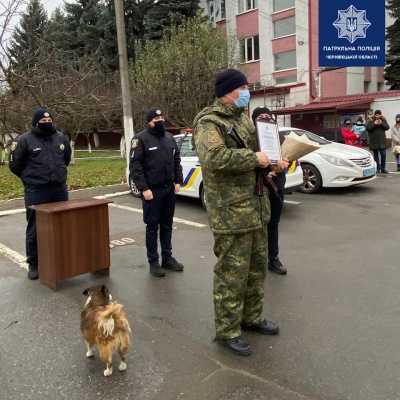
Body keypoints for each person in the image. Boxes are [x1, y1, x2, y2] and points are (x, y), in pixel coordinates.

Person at [192, 69, 289, 356]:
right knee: (231, 274)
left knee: (257, 269)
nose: (247, 92)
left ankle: (251, 318)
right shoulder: (210, 122)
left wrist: (272, 162)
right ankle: (227, 331)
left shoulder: (243, 121)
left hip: (256, 208)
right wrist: (254, 157)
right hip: (231, 213)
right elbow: (213, 158)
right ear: (228, 91)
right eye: (244, 87)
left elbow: (259, 157)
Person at [8, 108, 71, 280]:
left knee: (61, 225)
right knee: (35, 227)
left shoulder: (60, 137)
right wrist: (29, 178)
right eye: (43, 121)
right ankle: (34, 263)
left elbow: (65, 159)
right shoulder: (23, 140)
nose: (47, 123)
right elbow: (14, 165)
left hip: (58, 189)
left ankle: (59, 258)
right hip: (36, 191)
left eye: (49, 120)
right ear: (36, 122)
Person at [129, 107, 184, 277]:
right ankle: (153, 261)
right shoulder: (140, 139)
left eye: (162, 117)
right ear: (149, 121)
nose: (160, 121)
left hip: (169, 189)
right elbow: (135, 166)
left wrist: (178, 180)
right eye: (156, 119)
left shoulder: (169, 138)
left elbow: (176, 160)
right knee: (152, 227)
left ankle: (167, 258)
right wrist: (144, 188)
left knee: (167, 225)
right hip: (152, 191)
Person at [251, 106, 287, 274]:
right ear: (254, 120)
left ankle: (273, 259)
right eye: (261, 116)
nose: (266, 118)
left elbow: (288, 159)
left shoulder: (279, 136)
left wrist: (281, 167)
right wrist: (266, 170)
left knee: (273, 224)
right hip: (258, 188)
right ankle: (256, 259)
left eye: (268, 115)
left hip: (277, 186)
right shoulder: (251, 138)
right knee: (258, 225)